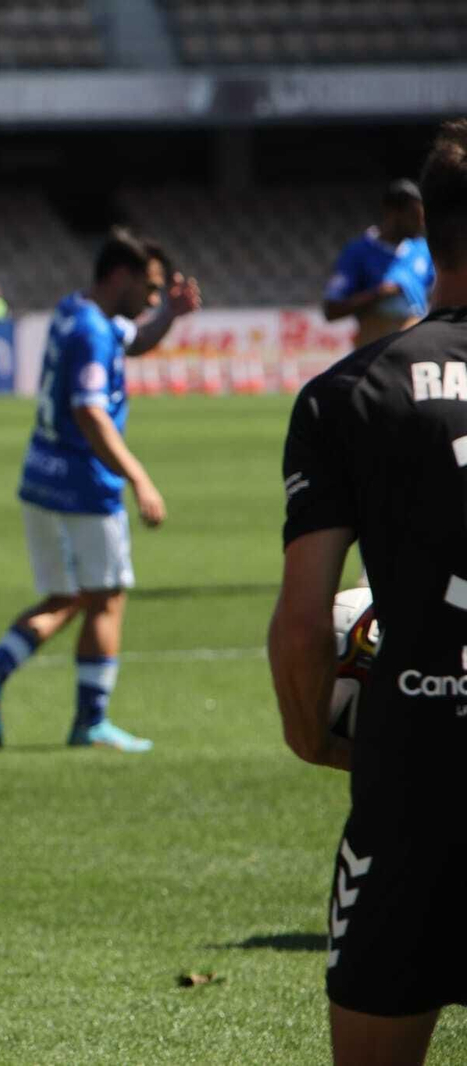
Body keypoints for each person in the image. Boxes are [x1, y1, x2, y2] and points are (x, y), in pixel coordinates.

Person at [269, 119, 467, 1066]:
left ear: (429, 230)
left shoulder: (345, 395)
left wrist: (313, 735)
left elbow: (305, 624)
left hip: (415, 782)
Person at [0, 228, 200, 753]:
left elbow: (133, 340)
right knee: (107, 601)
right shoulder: (93, 331)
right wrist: (139, 478)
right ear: (120, 276)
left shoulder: (75, 311)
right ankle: (90, 722)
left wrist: (171, 318)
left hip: (40, 475)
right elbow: (89, 410)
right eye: (151, 287)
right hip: (86, 485)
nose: (155, 298)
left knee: (69, 596)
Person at [323, 178, 435, 350]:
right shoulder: (358, 252)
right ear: (392, 213)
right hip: (374, 351)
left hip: (415, 350)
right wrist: (377, 295)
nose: (421, 224)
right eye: (414, 216)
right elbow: (332, 310)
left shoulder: (423, 251)